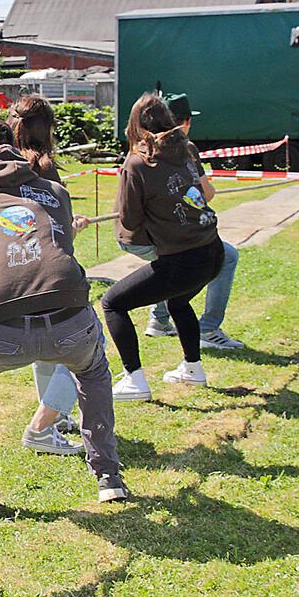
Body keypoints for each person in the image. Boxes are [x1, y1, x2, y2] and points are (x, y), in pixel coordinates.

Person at [0, 119, 126, 510]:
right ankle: (108, 476)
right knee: (91, 369)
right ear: (18, 150)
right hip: (70, 319)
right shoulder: (54, 191)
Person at [103, 94, 225, 402]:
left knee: (112, 303)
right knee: (178, 303)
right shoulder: (187, 147)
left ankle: (134, 380)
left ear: (136, 126)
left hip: (183, 259)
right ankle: (193, 369)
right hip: (213, 250)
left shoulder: (138, 163)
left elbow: (129, 221)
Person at [8, 95, 91, 455]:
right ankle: (43, 425)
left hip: (12, 271)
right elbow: (54, 231)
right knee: (83, 346)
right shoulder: (44, 169)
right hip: (45, 273)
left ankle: (53, 415)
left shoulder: (1, 165)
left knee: (49, 349)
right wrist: (73, 227)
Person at [141, 93, 245, 351]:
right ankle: (208, 329)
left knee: (170, 263)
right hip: (175, 233)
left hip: (148, 232)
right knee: (226, 256)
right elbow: (205, 194)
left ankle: (159, 319)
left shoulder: (142, 149)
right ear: (185, 122)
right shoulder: (185, 147)